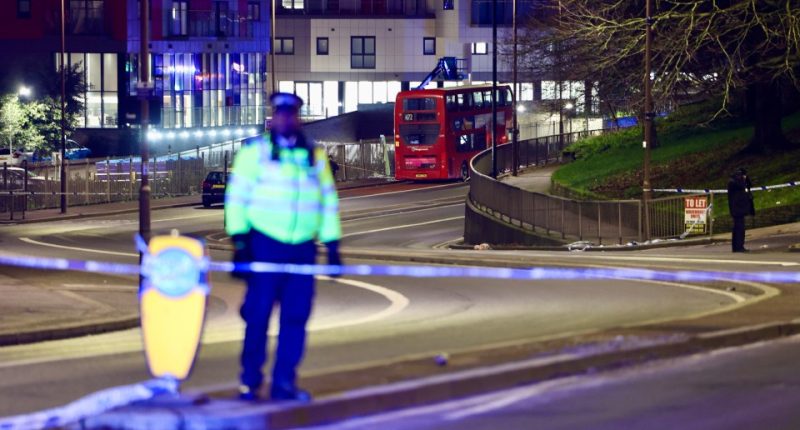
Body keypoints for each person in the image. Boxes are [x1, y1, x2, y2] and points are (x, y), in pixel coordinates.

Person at [225, 92, 342, 401]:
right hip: (264, 244)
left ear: (298, 117)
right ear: (273, 116)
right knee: (259, 316)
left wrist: (332, 243)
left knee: (295, 318)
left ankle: (284, 383)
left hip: (302, 249)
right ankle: (250, 381)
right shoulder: (255, 152)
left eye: (292, 113)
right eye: (281, 113)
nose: (287, 118)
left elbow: (327, 201)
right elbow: (236, 198)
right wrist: (239, 241)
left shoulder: (314, 156)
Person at [727, 168, 755, 253]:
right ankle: (739, 247)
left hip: (738, 209)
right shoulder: (734, 182)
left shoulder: (734, 181)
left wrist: (745, 179)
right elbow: (742, 186)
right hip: (738, 209)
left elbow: (749, 185)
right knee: (739, 229)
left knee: (738, 228)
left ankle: (737, 247)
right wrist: (743, 179)